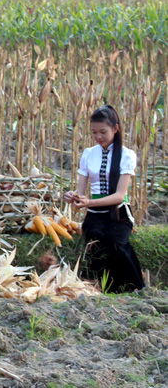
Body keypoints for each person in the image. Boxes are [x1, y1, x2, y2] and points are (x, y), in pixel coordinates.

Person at [64, 105, 144, 293]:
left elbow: (119, 196)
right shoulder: (89, 154)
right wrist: (73, 197)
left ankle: (134, 288)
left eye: (103, 132)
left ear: (115, 129)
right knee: (95, 243)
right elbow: (80, 194)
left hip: (118, 213)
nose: (98, 137)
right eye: (94, 132)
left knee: (115, 242)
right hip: (94, 215)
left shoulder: (126, 155)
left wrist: (88, 202)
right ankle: (102, 289)